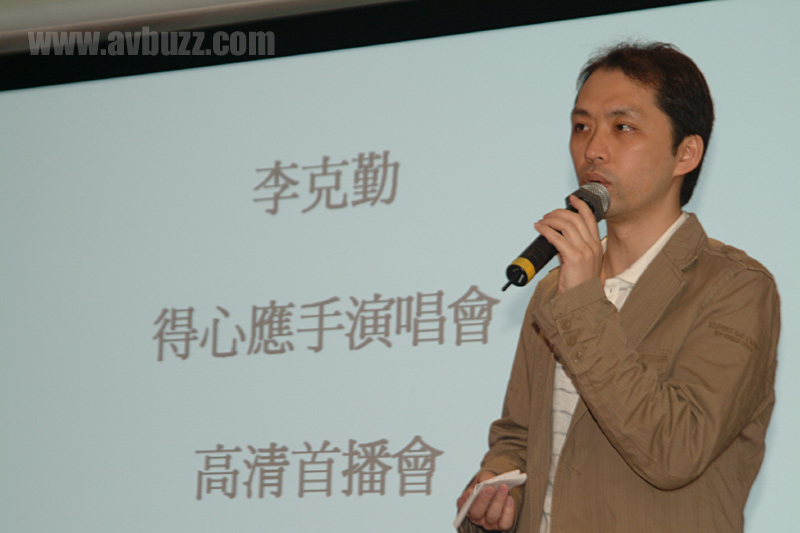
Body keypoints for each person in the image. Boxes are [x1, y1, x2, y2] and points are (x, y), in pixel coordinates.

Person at [456, 42, 780, 532]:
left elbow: (676, 450)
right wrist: (498, 488)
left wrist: (582, 299)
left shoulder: (736, 287)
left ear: (686, 152)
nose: (593, 149)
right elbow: (517, 437)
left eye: (623, 127)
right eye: (581, 126)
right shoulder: (554, 289)